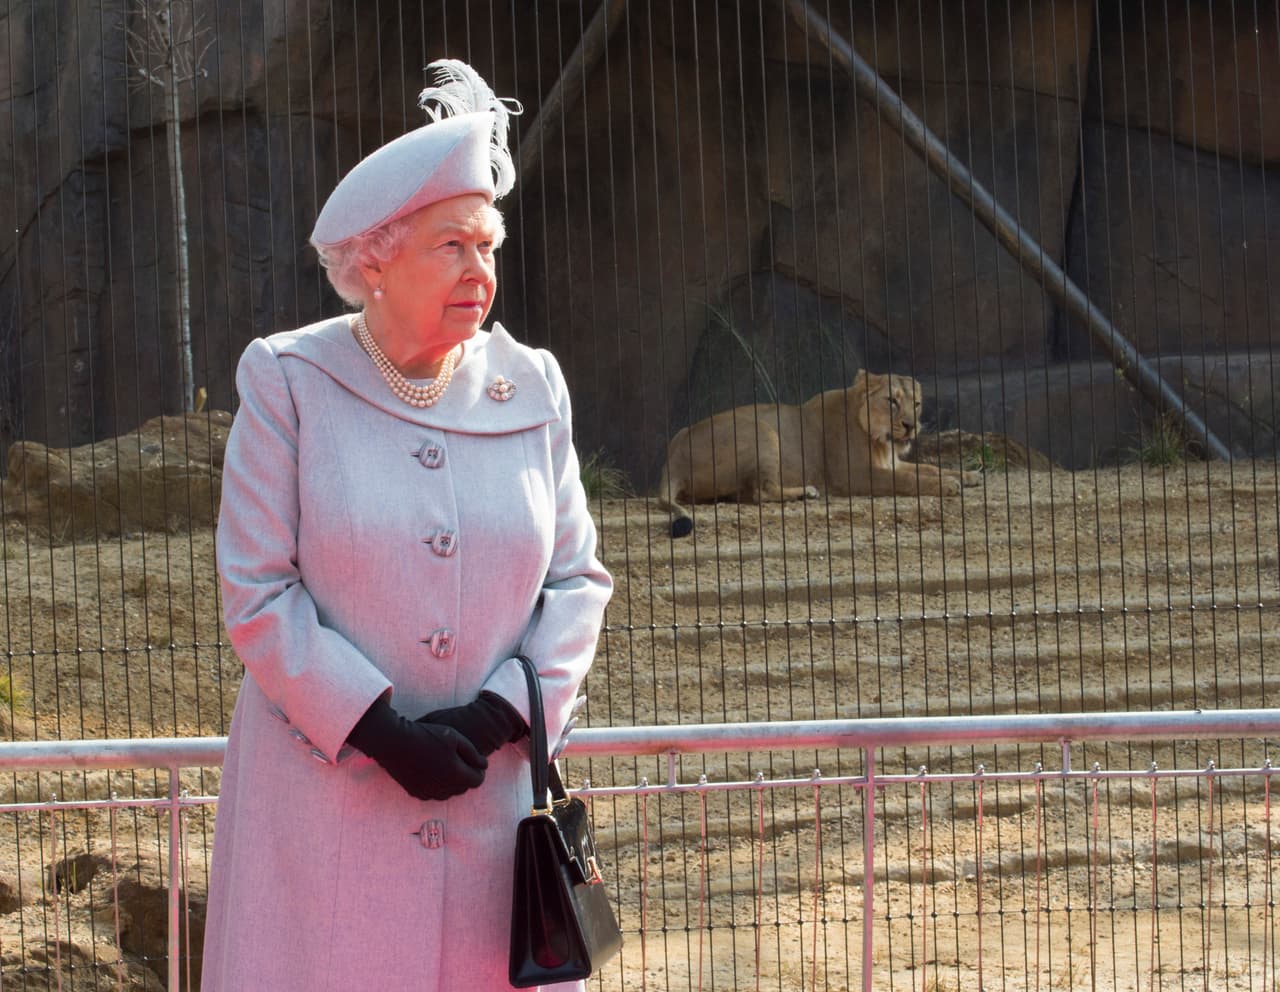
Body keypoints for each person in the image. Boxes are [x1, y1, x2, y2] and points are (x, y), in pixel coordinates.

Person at [201, 60, 613, 991]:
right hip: (325, 817)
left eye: (489, 246)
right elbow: (258, 591)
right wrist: (381, 730)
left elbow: (578, 583)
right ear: (376, 259)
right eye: (454, 247)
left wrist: (503, 709)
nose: (483, 272)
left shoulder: (533, 385)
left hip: (491, 816)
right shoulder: (288, 383)